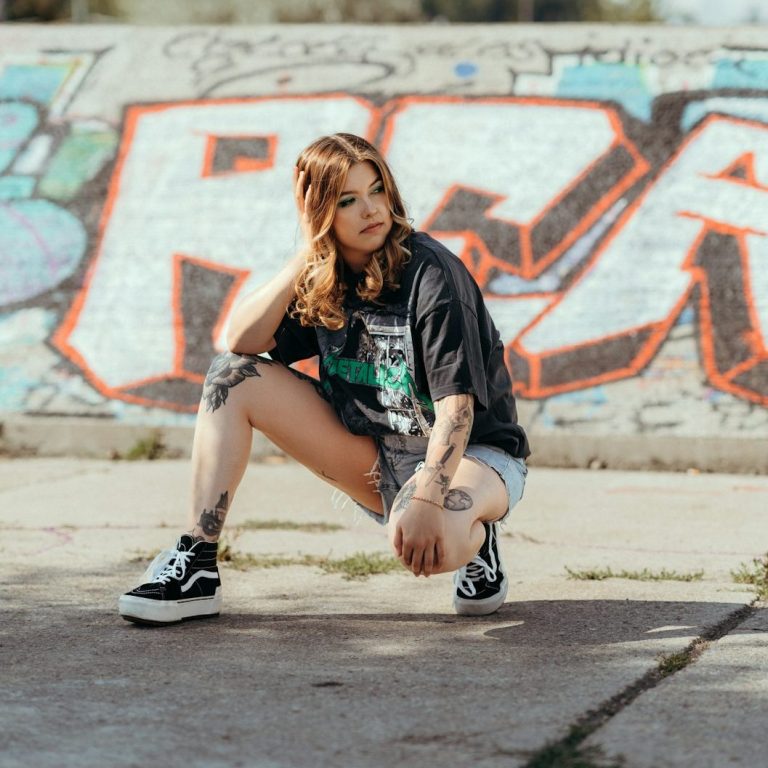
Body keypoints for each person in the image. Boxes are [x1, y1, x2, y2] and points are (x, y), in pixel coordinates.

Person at [118, 133, 530, 626]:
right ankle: (197, 562)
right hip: (377, 453)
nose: (370, 210)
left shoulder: (431, 274)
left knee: (431, 539)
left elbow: (457, 410)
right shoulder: (326, 278)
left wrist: (426, 497)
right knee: (231, 376)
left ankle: (477, 536)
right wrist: (310, 250)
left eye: (376, 191)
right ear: (320, 212)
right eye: (346, 200)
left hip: (474, 456)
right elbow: (242, 340)